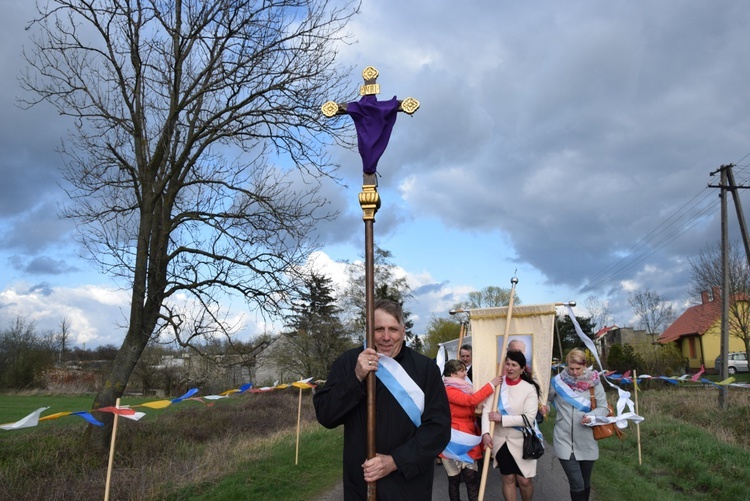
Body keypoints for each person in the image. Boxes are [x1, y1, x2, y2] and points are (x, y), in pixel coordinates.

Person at [313, 298, 451, 500]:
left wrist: (395, 461)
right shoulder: (348, 363)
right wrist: (356, 377)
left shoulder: (425, 369)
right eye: (379, 329)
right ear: (368, 330)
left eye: (393, 329)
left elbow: (438, 428)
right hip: (361, 486)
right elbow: (326, 415)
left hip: (409, 487)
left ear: (403, 331)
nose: (386, 337)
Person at [544, 348, 608, 501]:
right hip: (563, 439)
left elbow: (603, 408)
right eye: (571, 368)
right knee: (576, 483)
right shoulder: (557, 381)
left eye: (578, 369)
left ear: (585, 365)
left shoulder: (595, 383)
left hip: (587, 440)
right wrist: (545, 406)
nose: (574, 372)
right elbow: (547, 398)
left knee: (585, 482)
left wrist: (591, 417)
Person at [481, 350, 541, 501]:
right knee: (508, 479)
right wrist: (486, 433)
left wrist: (502, 418)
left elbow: (528, 419)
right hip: (501, 441)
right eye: (507, 364)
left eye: (514, 365)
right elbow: (487, 411)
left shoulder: (529, 389)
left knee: (524, 481)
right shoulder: (498, 386)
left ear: (522, 369)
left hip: (523, 440)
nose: (510, 368)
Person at [440, 359, 502, 501]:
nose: (465, 373)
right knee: (454, 480)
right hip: (454, 439)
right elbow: (470, 401)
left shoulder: (464, 387)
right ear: (452, 374)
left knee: (471, 478)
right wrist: (491, 384)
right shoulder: (448, 390)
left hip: (468, 435)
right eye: (461, 371)